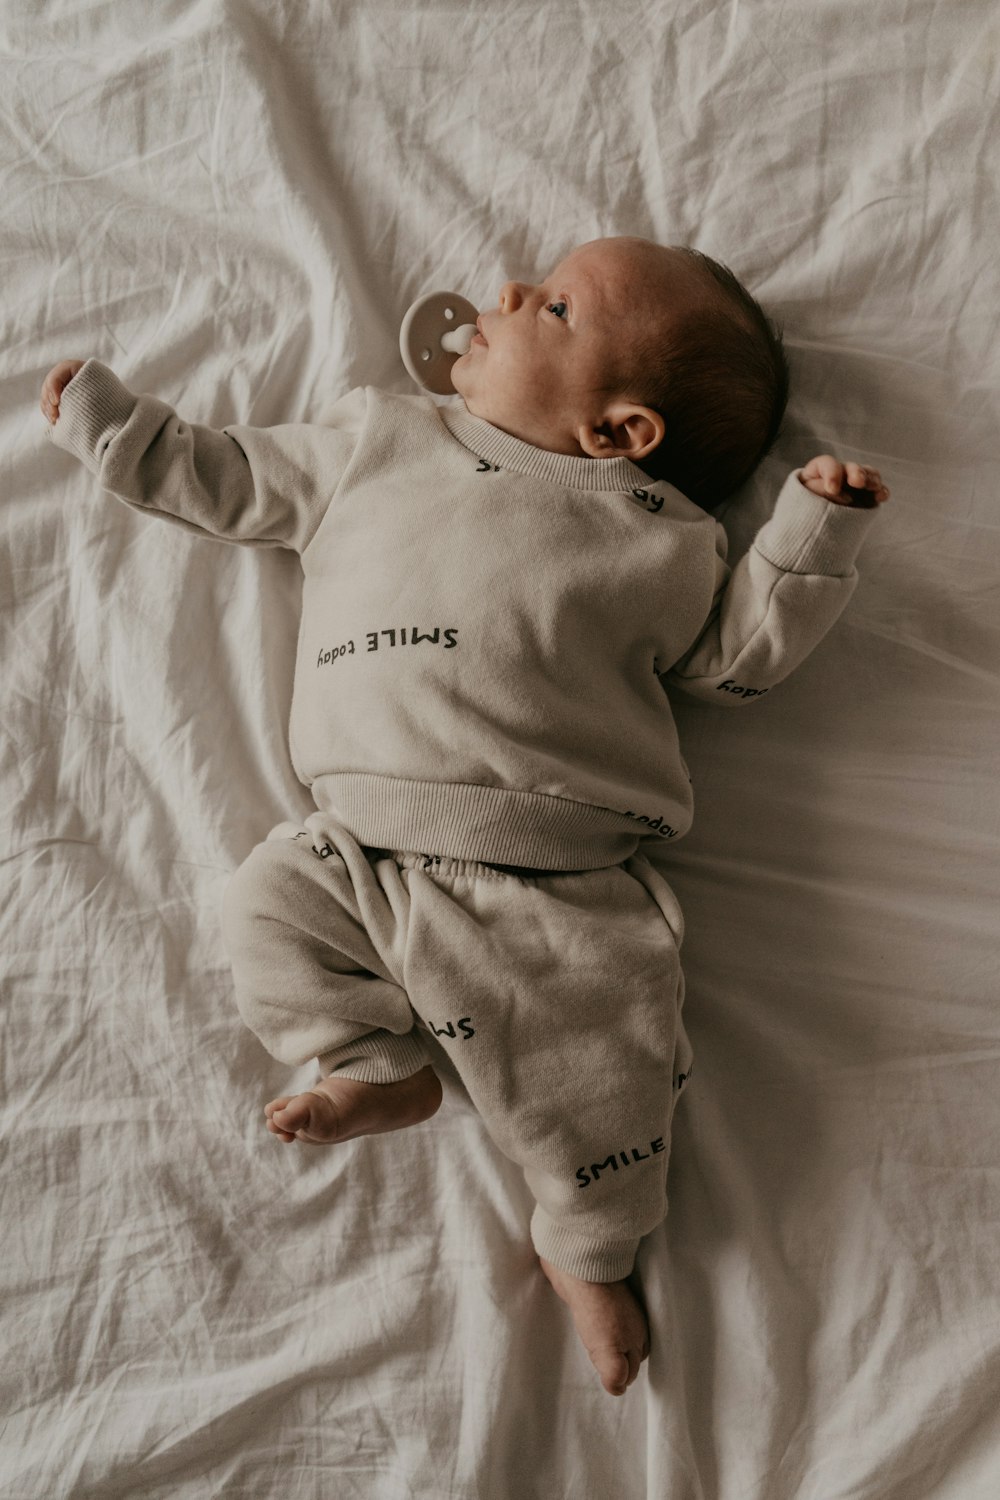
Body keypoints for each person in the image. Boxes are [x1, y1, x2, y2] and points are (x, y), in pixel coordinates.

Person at [40, 235, 889, 1397]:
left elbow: (737, 662)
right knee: (263, 907)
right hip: (360, 846)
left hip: (562, 872)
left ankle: (587, 1245)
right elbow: (230, 478)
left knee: (604, 1069)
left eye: (553, 308)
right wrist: (117, 430)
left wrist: (809, 535)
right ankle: (374, 1058)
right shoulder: (377, 439)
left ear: (621, 432)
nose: (502, 293)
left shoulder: (664, 539)